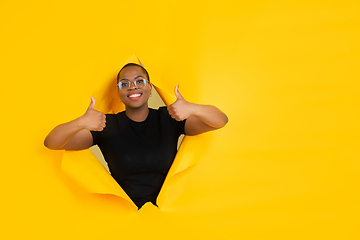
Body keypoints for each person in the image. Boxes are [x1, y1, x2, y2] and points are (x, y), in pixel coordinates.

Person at [44, 63, 228, 209]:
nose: (133, 87)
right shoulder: (106, 125)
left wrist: (192, 108)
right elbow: (52, 143)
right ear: (119, 93)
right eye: (125, 84)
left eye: (139, 81)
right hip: (124, 217)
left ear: (149, 89)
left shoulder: (168, 119)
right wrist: (81, 122)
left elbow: (220, 121)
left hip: (168, 214)